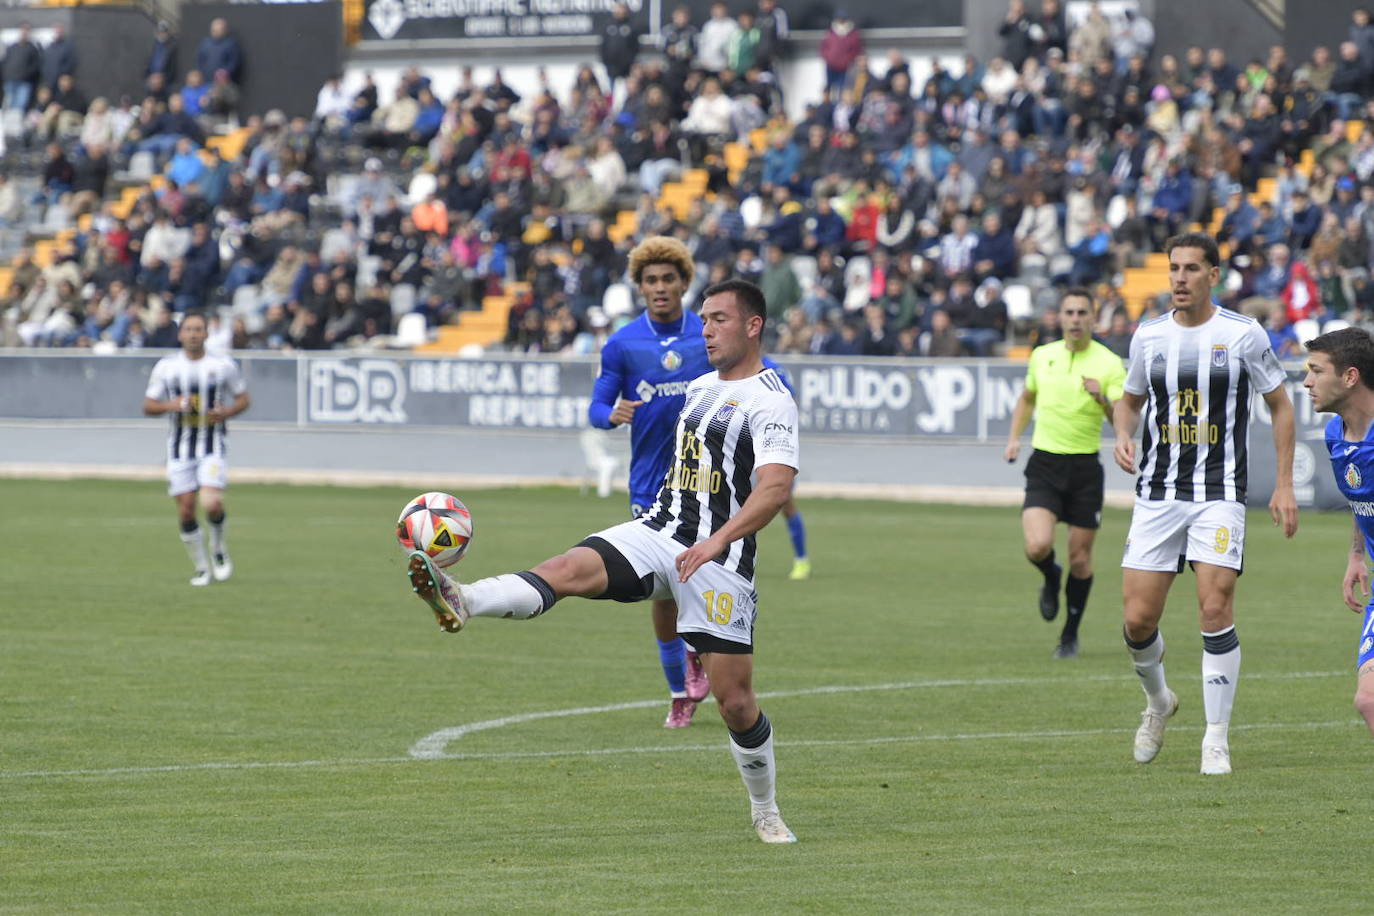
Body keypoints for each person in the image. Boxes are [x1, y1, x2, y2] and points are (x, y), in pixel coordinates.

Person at [407, 279, 801, 845]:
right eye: (705, 320)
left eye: (718, 320)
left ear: (753, 325)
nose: (706, 330)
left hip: (720, 556)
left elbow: (775, 488)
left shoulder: (771, 398)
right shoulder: (698, 388)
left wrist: (718, 540)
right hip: (660, 530)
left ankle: (765, 809)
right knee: (568, 568)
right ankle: (463, 598)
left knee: (734, 702)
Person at [1112, 232, 1298, 776]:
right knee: (1137, 621)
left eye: (1192, 269)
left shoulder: (1242, 334)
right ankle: (1159, 703)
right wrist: (1123, 434)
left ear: (1213, 275)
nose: (1180, 279)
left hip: (1219, 494)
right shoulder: (1148, 337)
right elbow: (1129, 401)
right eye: (1174, 268)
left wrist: (1283, 484)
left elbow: (1281, 408)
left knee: (1215, 608)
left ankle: (1215, 738)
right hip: (1158, 495)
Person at [588, 236, 714, 728]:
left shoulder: (706, 335)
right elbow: (596, 409)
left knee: (705, 577)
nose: (660, 288)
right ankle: (679, 688)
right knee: (663, 591)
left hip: (707, 483)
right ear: (639, 287)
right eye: (651, 281)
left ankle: (698, 651)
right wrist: (611, 412)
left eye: (669, 279)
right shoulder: (623, 344)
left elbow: (754, 372)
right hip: (650, 489)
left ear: (684, 282)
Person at [1004, 288, 1125, 659]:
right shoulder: (1043, 357)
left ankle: (1069, 635)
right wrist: (1013, 439)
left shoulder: (1108, 363)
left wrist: (1101, 399)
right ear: (1060, 317)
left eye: (1082, 313)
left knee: (1081, 560)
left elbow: (1122, 416)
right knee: (1037, 546)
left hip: (1085, 468)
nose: (1074, 319)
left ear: (1093, 318)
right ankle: (1049, 575)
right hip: (1045, 463)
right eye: (1069, 312)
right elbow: (1027, 397)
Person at [142, 311, 251, 586]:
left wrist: (225, 413)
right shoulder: (167, 367)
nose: (193, 334)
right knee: (187, 509)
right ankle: (202, 567)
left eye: (198, 329)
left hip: (212, 445)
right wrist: (172, 405)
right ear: (180, 334)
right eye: (188, 329)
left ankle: (218, 549)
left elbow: (243, 398)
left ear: (206, 334)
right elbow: (149, 405)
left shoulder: (223, 365)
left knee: (211, 502)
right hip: (180, 448)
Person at [1304, 327, 1374, 739]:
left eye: (1316, 371)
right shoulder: (1336, 435)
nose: (1307, 382)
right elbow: (1361, 497)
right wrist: (1356, 554)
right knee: (1368, 699)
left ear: (1349, 377)